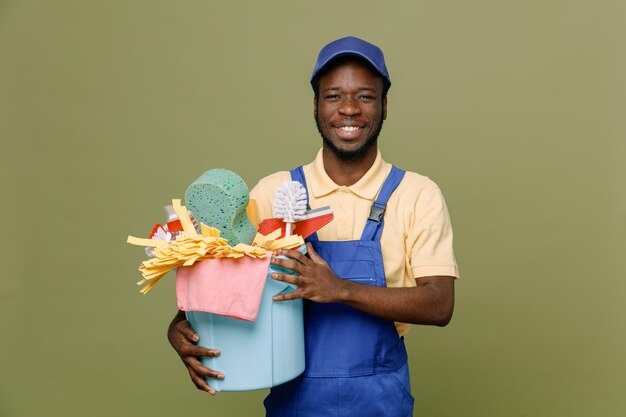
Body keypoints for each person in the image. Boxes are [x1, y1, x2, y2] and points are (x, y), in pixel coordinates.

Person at [167, 36, 459, 416]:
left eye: (366, 97)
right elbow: (225, 279)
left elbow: (440, 305)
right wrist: (179, 327)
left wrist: (339, 289)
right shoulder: (274, 193)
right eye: (334, 96)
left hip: (380, 399)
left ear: (384, 107)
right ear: (317, 107)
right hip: (295, 399)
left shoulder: (416, 194)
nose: (349, 109)